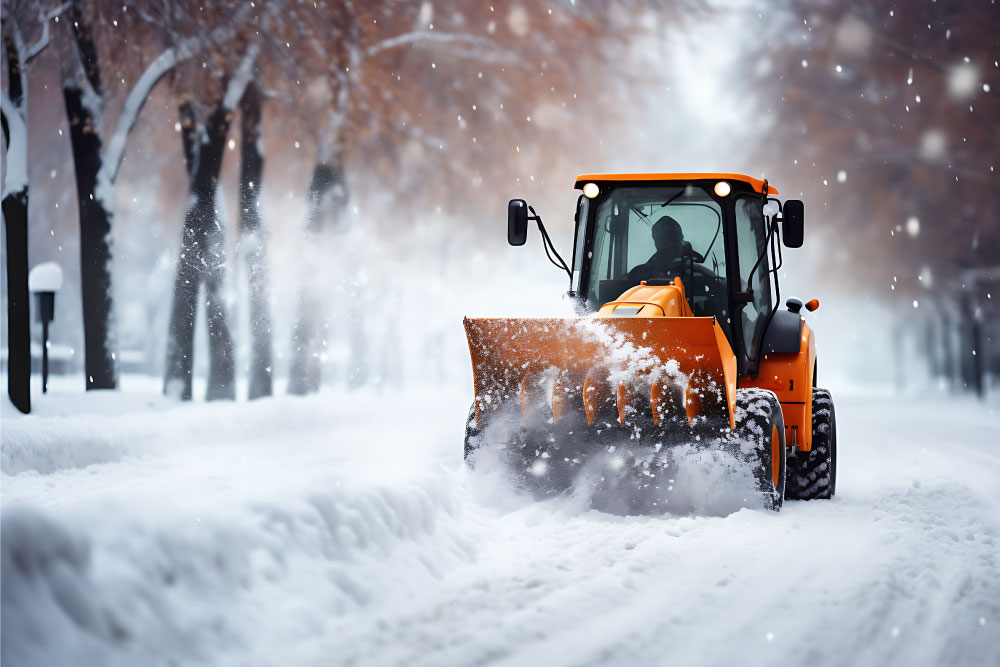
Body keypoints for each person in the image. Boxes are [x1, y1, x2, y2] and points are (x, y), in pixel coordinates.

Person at [625, 215, 690, 284]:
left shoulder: (693, 270)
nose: (663, 244)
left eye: (667, 238)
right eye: (658, 239)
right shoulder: (639, 273)